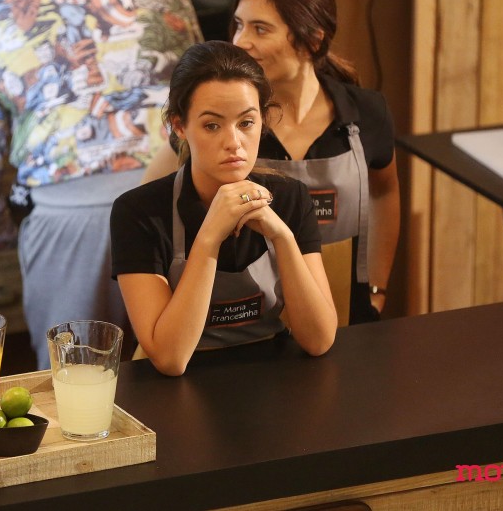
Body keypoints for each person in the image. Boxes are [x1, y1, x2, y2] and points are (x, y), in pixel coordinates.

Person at [0, 0, 202, 369]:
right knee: (188, 370)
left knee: (75, 382)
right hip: (179, 196)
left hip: (72, 222)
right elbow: (204, 95)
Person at [143, 0, 400, 325]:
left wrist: (377, 288)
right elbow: (148, 205)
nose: (240, 41)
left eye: (260, 29)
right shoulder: (227, 126)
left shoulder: (366, 113)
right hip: (249, 323)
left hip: (343, 315)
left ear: (312, 40)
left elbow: (385, 193)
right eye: (238, 24)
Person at [110, 41, 338, 376]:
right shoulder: (138, 213)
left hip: (271, 376)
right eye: (212, 126)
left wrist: (283, 237)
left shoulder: (291, 198)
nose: (233, 143)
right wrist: (209, 238)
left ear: (263, 120)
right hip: (175, 387)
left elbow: (319, 340)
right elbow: (170, 359)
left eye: (246, 123)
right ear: (179, 126)